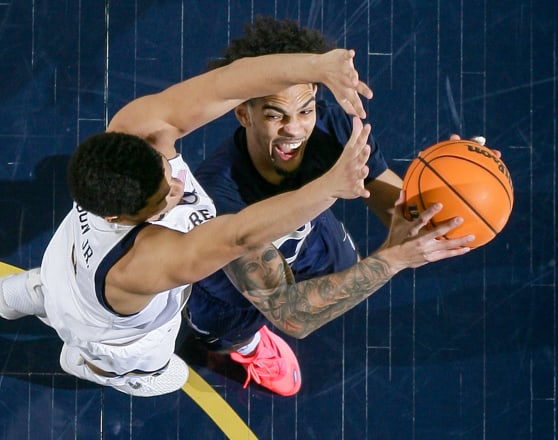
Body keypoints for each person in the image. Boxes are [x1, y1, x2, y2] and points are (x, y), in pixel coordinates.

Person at [0, 48, 393, 398]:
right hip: (114, 335)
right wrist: (330, 187)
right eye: (160, 199)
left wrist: (316, 66)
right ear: (119, 218)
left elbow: (226, 83)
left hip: (70, 261)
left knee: (65, 280)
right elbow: (240, 233)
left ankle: (34, 292)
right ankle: (96, 366)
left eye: (164, 173)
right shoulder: (146, 261)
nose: (175, 189)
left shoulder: (135, 130)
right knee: (165, 374)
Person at [184, 16, 473, 396]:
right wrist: (393, 259)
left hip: (310, 240)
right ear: (244, 113)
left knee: (343, 271)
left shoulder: (331, 125)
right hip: (233, 290)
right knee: (234, 332)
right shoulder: (220, 200)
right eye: (276, 115)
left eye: (305, 110)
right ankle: (249, 349)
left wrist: (454, 183)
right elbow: (289, 314)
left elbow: (400, 210)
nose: (295, 130)